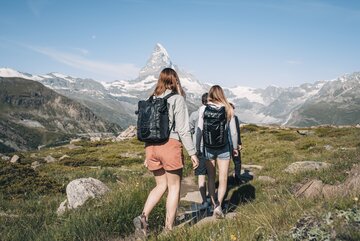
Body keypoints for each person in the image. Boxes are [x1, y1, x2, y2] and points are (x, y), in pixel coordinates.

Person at [133, 68, 199, 236]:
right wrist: (192, 153)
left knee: (160, 185)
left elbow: (146, 127)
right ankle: (168, 229)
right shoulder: (177, 99)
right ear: (174, 80)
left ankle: (143, 217)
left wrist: (147, 154)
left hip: (151, 147)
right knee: (174, 187)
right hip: (170, 145)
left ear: (160, 81)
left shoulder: (151, 99)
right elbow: (184, 130)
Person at [196, 85, 238, 219]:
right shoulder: (228, 108)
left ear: (210, 94)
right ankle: (219, 207)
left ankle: (213, 204)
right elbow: (234, 132)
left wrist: (197, 148)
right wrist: (235, 148)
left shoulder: (203, 109)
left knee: (211, 178)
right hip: (224, 148)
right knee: (223, 178)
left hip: (208, 148)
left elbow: (199, 131)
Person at [189, 93, 209, 209]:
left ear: (202, 101)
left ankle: (204, 201)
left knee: (201, 176)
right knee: (211, 176)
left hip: (199, 148)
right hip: (211, 148)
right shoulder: (214, 114)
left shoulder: (194, 115)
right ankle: (214, 201)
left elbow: (190, 129)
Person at [229, 103, 243, 183]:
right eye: (232, 109)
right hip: (233, 144)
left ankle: (234, 178)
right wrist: (238, 144)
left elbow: (237, 131)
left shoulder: (223, 118)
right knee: (237, 161)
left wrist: (239, 143)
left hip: (226, 144)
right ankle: (237, 178)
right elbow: (236, 132)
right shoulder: (234, 118)